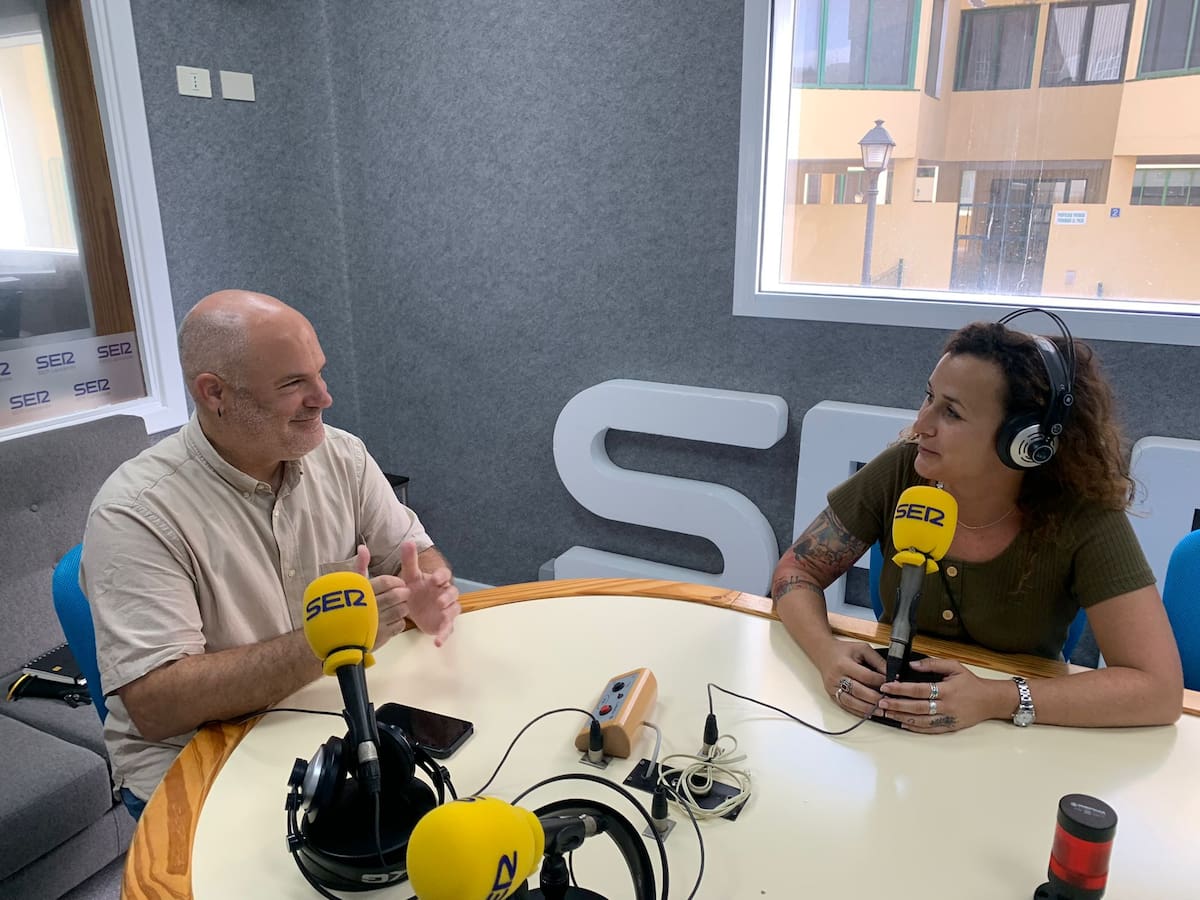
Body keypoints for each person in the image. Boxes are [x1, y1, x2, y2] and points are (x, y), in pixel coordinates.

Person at [81, 290, 461, 818]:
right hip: (201, 759)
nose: (324, 397)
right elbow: (158, 703)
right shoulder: (134, 513)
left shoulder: (342, 455)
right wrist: (333, 641)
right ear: (215, 393)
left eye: (320, 373)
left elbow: (417, 557)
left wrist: (429, 590)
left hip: (322, 715)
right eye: (292, 384)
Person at [771, 313, 1183, 734]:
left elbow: (1158, 690)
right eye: (929, 397)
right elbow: (797, 570)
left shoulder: (1081, 510)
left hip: (1021, 735)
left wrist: (994, 698)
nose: (921, 425)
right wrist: (827, 653)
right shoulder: (903, 469)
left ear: (1023, 441)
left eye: (951, 413)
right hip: (890, 721)